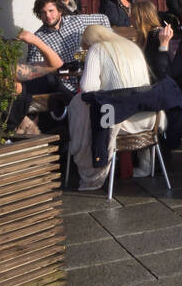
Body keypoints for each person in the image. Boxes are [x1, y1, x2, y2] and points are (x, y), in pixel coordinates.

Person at [66, 24, 157, 191]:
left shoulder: (97, 49)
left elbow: (87, 88)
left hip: (119, 121)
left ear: (89, 42)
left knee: (78, 104)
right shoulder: (133, 47)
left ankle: (89, 164)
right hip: (148, 119)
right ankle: (143, 164)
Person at [24, 0, 109, 65]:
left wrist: (105, 47)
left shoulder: (76, 21)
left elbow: (103, 19)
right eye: (43, 12)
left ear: (59, 11)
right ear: (39, 15)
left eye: (51, 11)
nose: (48, 16)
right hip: (63, 81)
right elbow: (34, 66)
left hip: (87, 72)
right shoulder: (38, 38)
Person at [132, 0, 175, 79]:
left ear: (140, 18)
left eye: (132, 16)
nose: (130, 20)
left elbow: (162, 68)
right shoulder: (144, 35)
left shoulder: (159, 35)